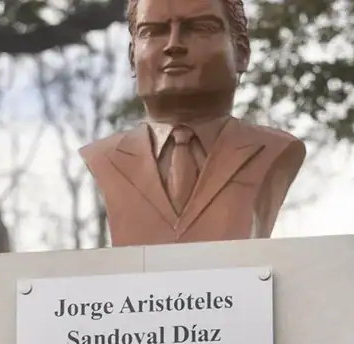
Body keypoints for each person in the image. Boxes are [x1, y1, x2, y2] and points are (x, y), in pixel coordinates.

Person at [78, 0, 306, 246]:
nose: (173, 45)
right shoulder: (104, 158)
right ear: (132, 57)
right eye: (153, 31)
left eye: (199, 28)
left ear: (241, 53)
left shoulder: (274, 150)